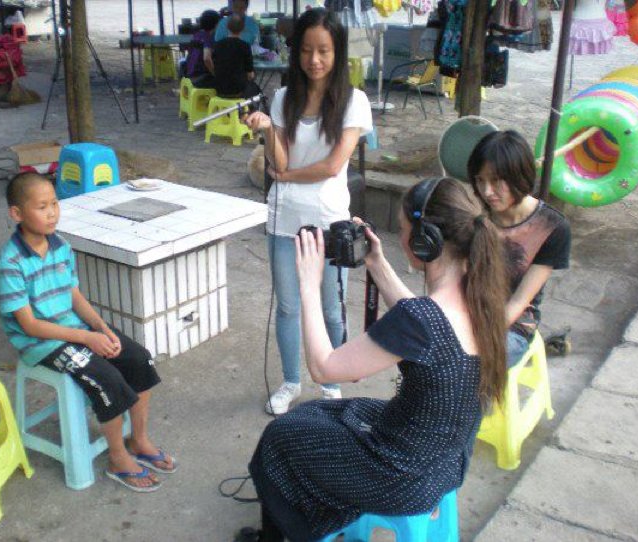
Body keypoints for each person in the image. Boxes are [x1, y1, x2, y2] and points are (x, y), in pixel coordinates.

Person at [239, 177, 509, 541]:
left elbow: (324, 368)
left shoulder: (421, 319)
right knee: (315, 414)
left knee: (278, 437)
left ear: (424, 241)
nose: (400, 239)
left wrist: (308, 284)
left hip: (397, 476)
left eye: (403, 230)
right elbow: (420, 322)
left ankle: (291, 532)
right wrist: (376, 262)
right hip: (444, 464)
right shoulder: (481, 298)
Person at [0, 173, 177, 492]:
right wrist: (88, 338)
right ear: (17, 214)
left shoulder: (61, 246)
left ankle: (138, 439)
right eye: (41, 207)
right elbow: (29, 325)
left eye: (54, 204)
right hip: (42, 344)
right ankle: (118, 460)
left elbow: (74, 295)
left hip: (74, 330)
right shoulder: (8, 263)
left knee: (138, 359)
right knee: (108, 379)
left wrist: (102, 327)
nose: (52, 213)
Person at [244, 8, 373, 415]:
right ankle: (290, 381)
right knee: (287, 306)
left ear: (337, 53)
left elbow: (334, 165)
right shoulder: (284, 98)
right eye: (306, 50)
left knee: (331, 308)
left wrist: (286, 175)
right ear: (295, 51)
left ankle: (331, 382)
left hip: (330, 221)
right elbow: (277, 162)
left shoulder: (355, 102)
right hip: (283, 220)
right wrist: (267, 129)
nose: (314, 60)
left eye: (323, 50)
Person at [467, 130, 571, 366]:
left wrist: (472, 338)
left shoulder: (552, 227)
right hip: (466, 312)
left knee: (468, 365)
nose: (487, 191)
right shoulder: (474, 218)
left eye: (495, 181)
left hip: (512, 326)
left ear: (518, 176)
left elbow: (518, 302)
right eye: (480, 180)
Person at [213, 15, 261, 98]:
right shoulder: (245, 46)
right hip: (238, 89)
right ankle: (249, 110)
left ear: (227, 27)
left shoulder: (217, 45)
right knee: (257, 90)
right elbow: (250, 74)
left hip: (219, 87)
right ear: (243, 29)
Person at [185, 9, 221, 88]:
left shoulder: (197, 35)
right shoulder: (209, 37)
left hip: (189, 77)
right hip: (201, 79)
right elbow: (206, 59)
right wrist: (216, 74)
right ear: (215, 24)